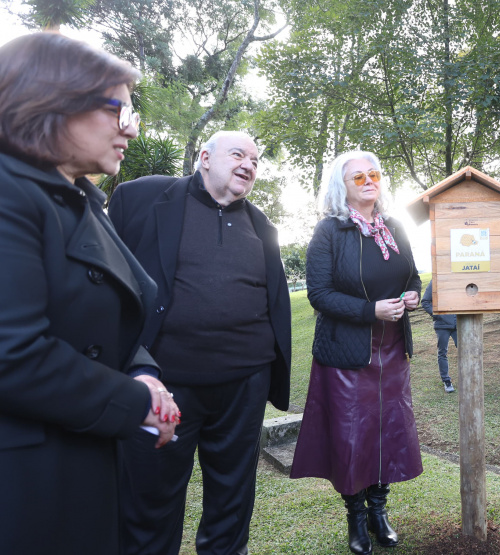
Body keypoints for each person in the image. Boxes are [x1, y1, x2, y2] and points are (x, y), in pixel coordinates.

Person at [0, 32, 179, 555]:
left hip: (83, 459)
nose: (132, 128)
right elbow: (11, 354)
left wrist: (144, 371)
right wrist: (134, 402)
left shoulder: (81, 201)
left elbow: (109, 318)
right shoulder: (10, 196)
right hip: (26, 481)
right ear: (54, 101)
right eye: (119, 110)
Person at [109, 130, 292, 555]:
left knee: (232, 502)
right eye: (238, 154)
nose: (250, 163)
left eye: (256, 159)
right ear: (205, 158)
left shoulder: (262, 224)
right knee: (150, 501)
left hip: (245, 386)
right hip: (165, 385)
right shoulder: (143, 198)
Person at [290, 151, 423, 555]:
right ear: (341, 187)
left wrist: (412, 294)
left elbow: (412, 273)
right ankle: (355, 517)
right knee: (352, 436)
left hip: (392, 350)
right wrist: (371, 310)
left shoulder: (394, 226)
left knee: (386, 430)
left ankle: (378, 512)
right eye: (358, 177)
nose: (368, 181)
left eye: (374, 174)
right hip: (347, 355)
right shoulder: (329, 231)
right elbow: (319, 294)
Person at [421, 281, 457, 393]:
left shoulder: (455, 278)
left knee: (465, 350)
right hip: (442, 325)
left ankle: (468, 377)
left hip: (459, 323)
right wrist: (437, 314)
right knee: (442, 352)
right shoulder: (435, 281)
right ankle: (446, 380)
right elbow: (425, 302)